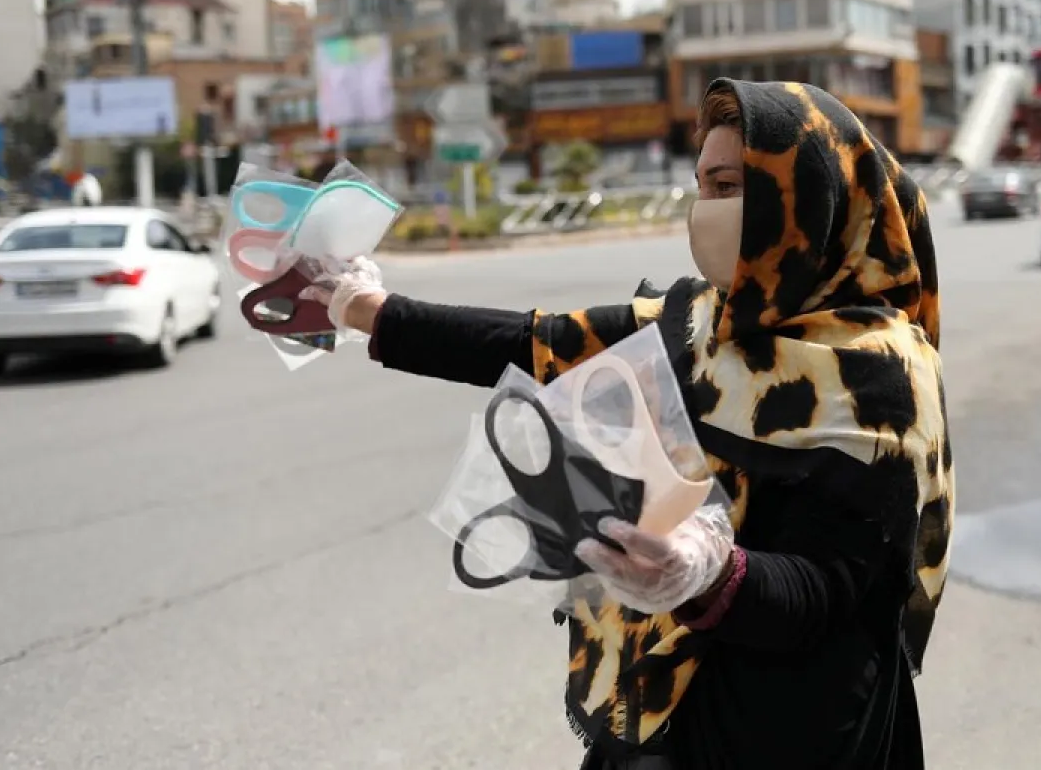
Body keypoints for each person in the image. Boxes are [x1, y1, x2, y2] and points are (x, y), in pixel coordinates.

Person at [310, 79, 953, 769]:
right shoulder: (693, 322)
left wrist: (711, 574)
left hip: (790, 728)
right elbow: (535, 343)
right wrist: (367, 310)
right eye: (703, 187)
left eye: (731, 185)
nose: (708, 209)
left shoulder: (880, 374)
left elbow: (830, 588)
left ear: (811, 197)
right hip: (654, 710)